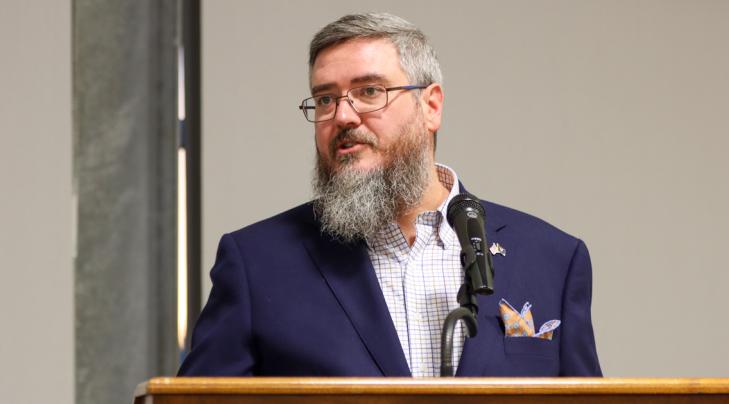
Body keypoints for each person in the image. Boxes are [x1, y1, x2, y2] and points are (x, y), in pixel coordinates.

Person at [179, 12, 601, 377]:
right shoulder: (257, 264)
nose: (342, 115)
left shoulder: (552, 260)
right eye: (325, 99)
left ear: (430, 106)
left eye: (369, 91)